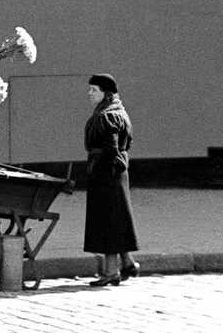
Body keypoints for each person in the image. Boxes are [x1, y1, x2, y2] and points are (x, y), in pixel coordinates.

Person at [83, 73, 140, 286]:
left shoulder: (107, 116)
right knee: (116, 221)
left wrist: (99, 170)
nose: (89, 93)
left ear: (106, 94)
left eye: (93, 90)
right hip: (115, 174)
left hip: (107, 176)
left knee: (107, 223)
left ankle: (110, 272)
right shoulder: (118, 111)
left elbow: (111, 148)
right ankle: (127, 263)